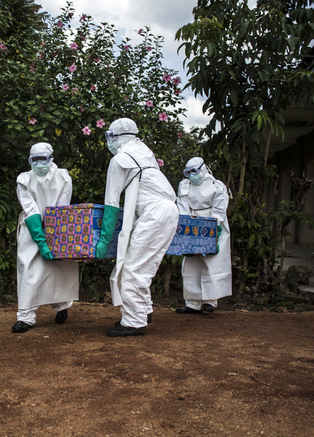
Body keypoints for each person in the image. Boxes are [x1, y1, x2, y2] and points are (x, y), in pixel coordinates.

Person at [95, 118, 179, 337]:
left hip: (155, 214)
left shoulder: (121, 159)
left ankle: (133, 322)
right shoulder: (144, 153)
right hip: (168, 210)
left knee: (133, 268)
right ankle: (143, 311)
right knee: (144, 265)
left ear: (117, 137)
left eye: (110, 137)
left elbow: (112, 203)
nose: (109, 142)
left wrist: (103, 240)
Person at [13, 142, 80, 333]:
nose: (39, 164)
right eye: (35, 160)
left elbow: (61, 207)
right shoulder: (24, 179)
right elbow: (31, 210)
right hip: (31, 230)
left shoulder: (63, 177)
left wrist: (54, 237)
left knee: (58, 269)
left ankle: (62, 305)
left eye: (43, 159)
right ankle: (26, 316)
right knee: (28, 269)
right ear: (30, 160)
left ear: (51, 159)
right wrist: (41, 242)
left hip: (57, 226)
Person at [175, 157, 232, 314]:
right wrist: (187, 227)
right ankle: (192, 302)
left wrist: (214, 228)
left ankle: (210, 301)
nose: (192, 175)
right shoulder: (184, 185)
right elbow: (182, 207)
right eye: (189, 172)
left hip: (213, 223)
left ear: (203, 169)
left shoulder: (217, 186)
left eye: (195, 171)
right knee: (191, 263)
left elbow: (219, 209)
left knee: (211, 262)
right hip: (192, 224)